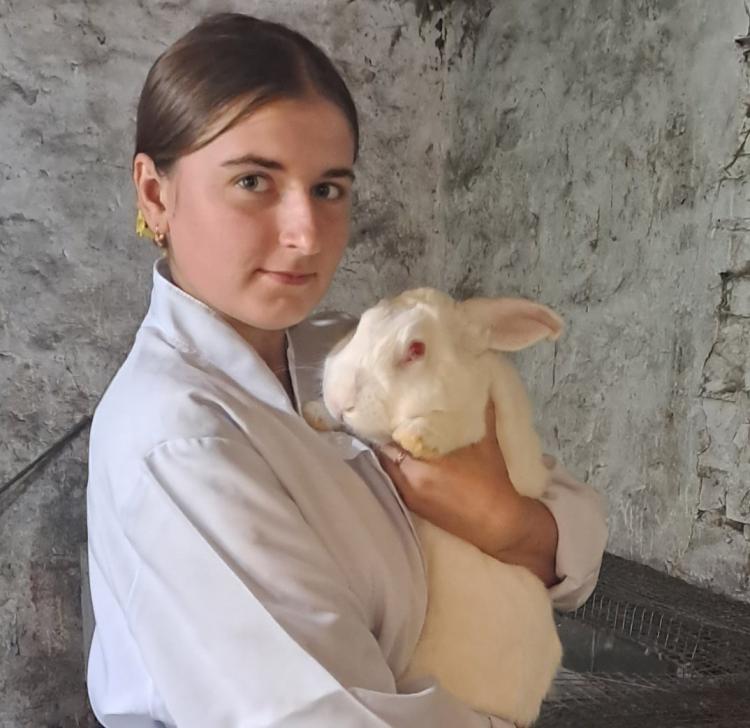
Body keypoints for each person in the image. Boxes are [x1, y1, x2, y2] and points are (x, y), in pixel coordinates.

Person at [85, 12, 608, 728]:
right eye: (253, 181)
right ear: (155, 194)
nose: (305, 235)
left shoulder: (342, 351)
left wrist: (508, 522)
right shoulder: (179, 438)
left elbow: (578, 532)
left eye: (328, 189)